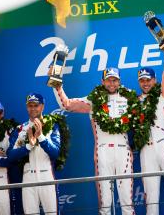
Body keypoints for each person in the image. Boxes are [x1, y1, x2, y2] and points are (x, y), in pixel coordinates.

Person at [52, 67, 138, 215]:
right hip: (103, 151)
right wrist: (57, 85)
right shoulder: (93, 100)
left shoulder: (129, 98)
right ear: (102, 81)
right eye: (108, 80)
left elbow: (140, 120)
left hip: (124, 150)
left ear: (119, 81)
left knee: (127, 202)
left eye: (114, 80)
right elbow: (66, 104)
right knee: (105, 202)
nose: (111, 83)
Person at [134, 51, 164, 214]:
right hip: (146, 150)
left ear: (155, 80)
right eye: (142, 80)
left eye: (148, 80)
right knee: (151, 199)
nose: (145, 83)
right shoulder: (135, 102)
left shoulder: (163, 96)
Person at [7, 93, 60, 215]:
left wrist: (41, 137)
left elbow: (55, 153)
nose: (33, 108)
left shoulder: (52, 125)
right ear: (26, 107)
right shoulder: (21, 129)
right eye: (30, 105)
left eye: (36, 105)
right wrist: (28, 146)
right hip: (28, 178)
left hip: (46, 175)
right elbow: (11, 156)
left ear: (42, 106)